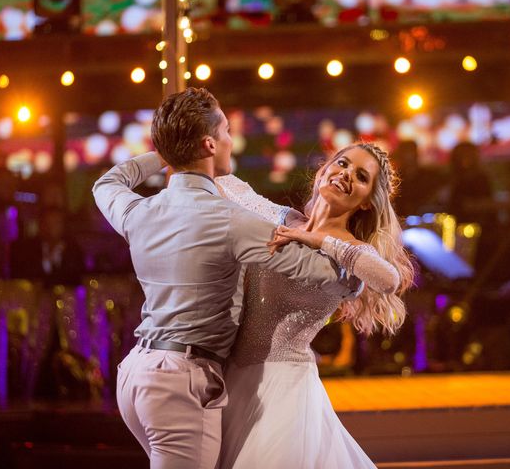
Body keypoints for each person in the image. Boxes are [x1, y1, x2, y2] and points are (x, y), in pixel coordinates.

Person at [92, 88, 361, 469]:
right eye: (227, 131)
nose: (231, 140)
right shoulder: (231, 220)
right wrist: (355, 267)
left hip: (136, 375)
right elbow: (328, 276)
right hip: (181, 382)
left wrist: (168, 151)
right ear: (208, 143)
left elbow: (106, 184)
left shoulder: (140, 211)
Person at [135, 141, 413, 467]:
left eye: (361, 176)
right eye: (342, 163)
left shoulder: (350, 255)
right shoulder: (281, 218)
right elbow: (225, 182)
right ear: (324, 169)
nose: (345, 174)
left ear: (367, 202)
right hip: (231, 379)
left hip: (284, 392)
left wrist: (320, 239)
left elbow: (388, 279)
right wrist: (189, 143)